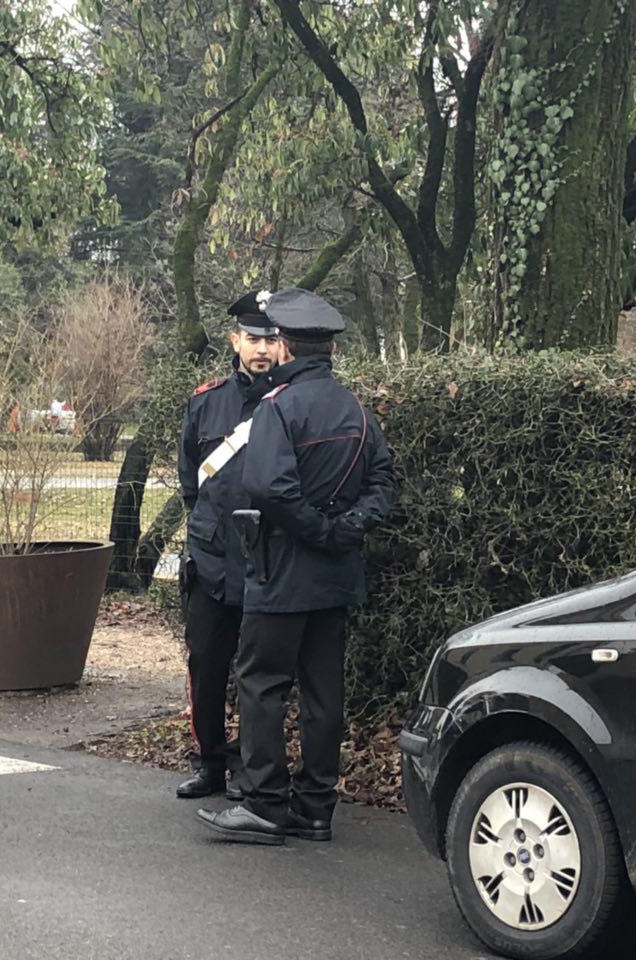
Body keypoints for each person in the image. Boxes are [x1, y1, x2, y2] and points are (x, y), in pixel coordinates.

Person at [197, 288, 396, 844]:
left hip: (280, 570)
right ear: (327, 350)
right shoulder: (355, 408)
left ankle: (262, 803)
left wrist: (317, 530)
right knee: (322, 691)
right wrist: (348, 528)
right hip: (335, 577)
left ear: (285, 345)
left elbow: (269, 488)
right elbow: (384, 482)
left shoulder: (277, 407)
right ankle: (315, 806)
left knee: (261, 682)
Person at [175, 291, 281, 799]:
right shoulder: (204, 401)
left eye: (271, 339)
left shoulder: (289, 400)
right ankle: (210, 763)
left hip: (269, 560)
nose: (262, 348)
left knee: (261, 675)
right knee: (206, 665)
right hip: (213, 559)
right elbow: (190, 486)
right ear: (235, 339)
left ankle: (255, 771)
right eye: (253, 338)